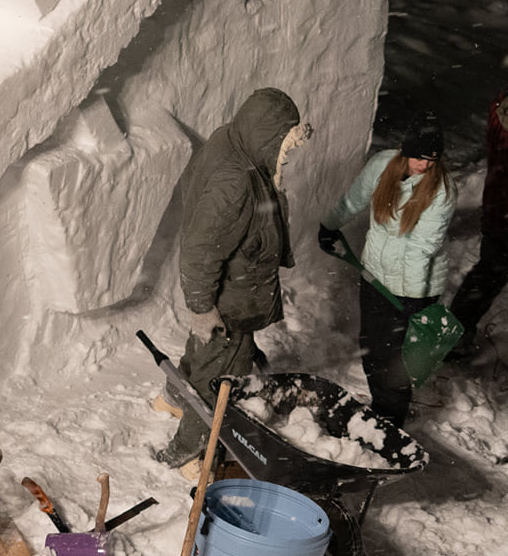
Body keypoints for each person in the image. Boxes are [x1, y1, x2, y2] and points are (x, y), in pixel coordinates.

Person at [155, 88, 310, 468]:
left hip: (232, 286)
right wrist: (202, 308)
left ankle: (172, 399)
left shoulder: (232, 141)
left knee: (205, 352)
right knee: (221, 379)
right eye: (284, 143)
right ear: (266, 135)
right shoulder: (235, 180)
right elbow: (200, 250)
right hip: (230, 296)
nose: (287, 154)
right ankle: (188, 455)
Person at [319, 115, 454, 427]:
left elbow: (421, 250)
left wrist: (414, 302)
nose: (425, 165)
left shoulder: (442, 191)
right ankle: (380, 408)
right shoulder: (382, 165)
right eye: (420, 157)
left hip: (417, 287)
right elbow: (353, 200)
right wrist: (329, 225)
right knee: (372, 348)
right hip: (375, 276)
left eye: (432, 159)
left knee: (396, 363)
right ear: (406, 151)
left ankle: (390, 423)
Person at [448, 87, 508, 358]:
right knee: (487, 276)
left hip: (498, 211)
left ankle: (453, 338)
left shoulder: (504, 103)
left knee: (486, 277)